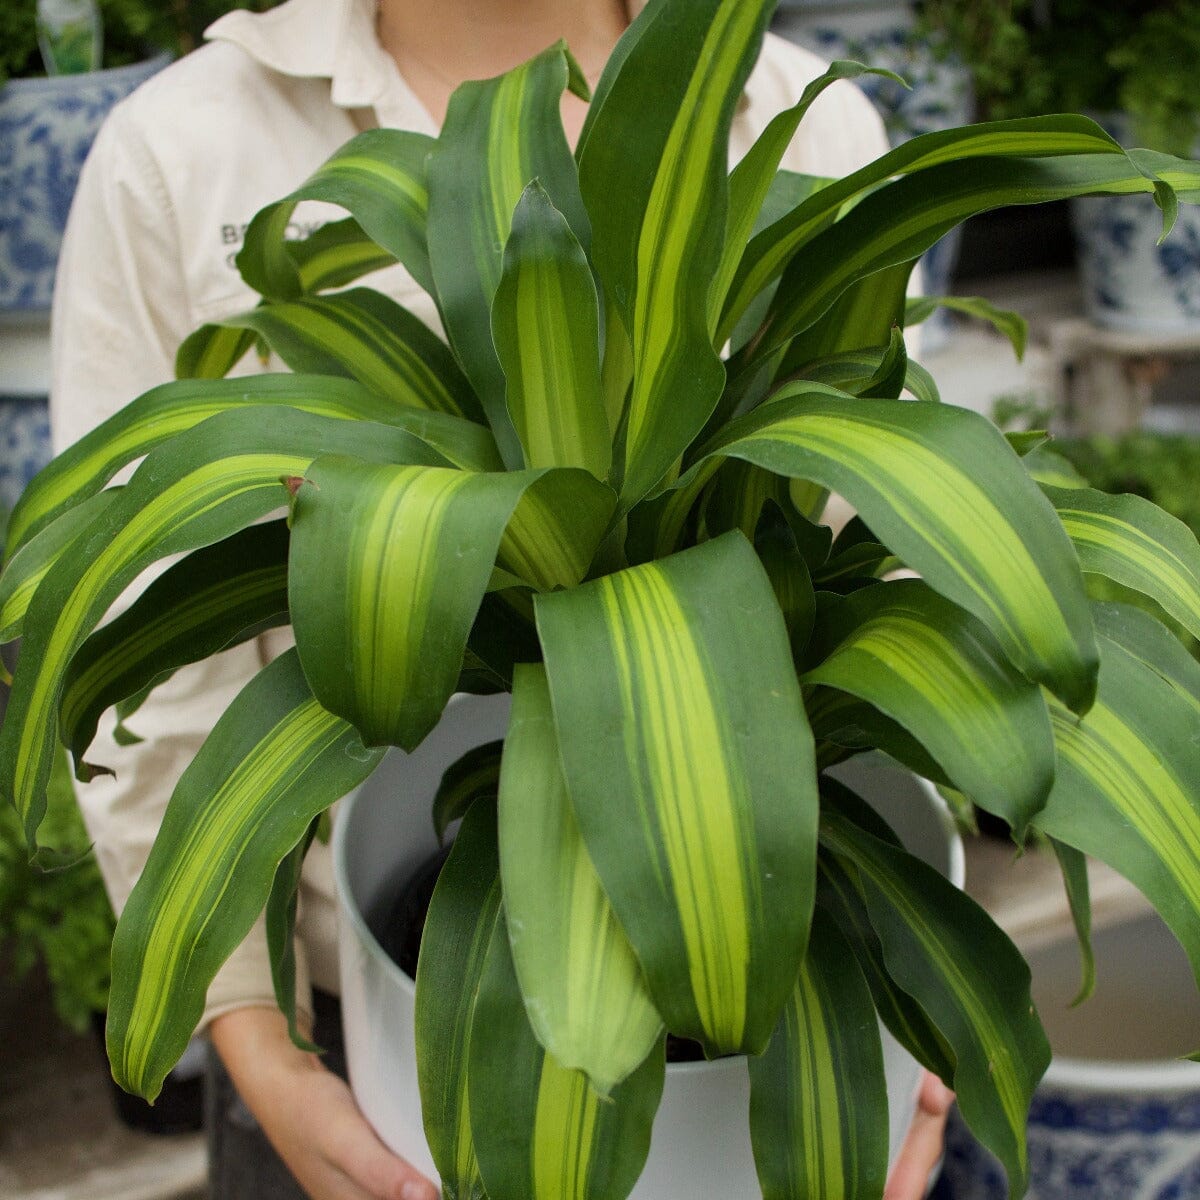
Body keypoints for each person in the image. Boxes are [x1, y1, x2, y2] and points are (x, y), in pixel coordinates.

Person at [50, 1, 950, 1197]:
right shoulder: (186, 148)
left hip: (779, 1012)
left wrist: (906, 1048)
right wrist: (254, 1050)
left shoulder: (809, 117)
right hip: (354, 1048)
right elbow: (146, 645)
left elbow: (899, 575)